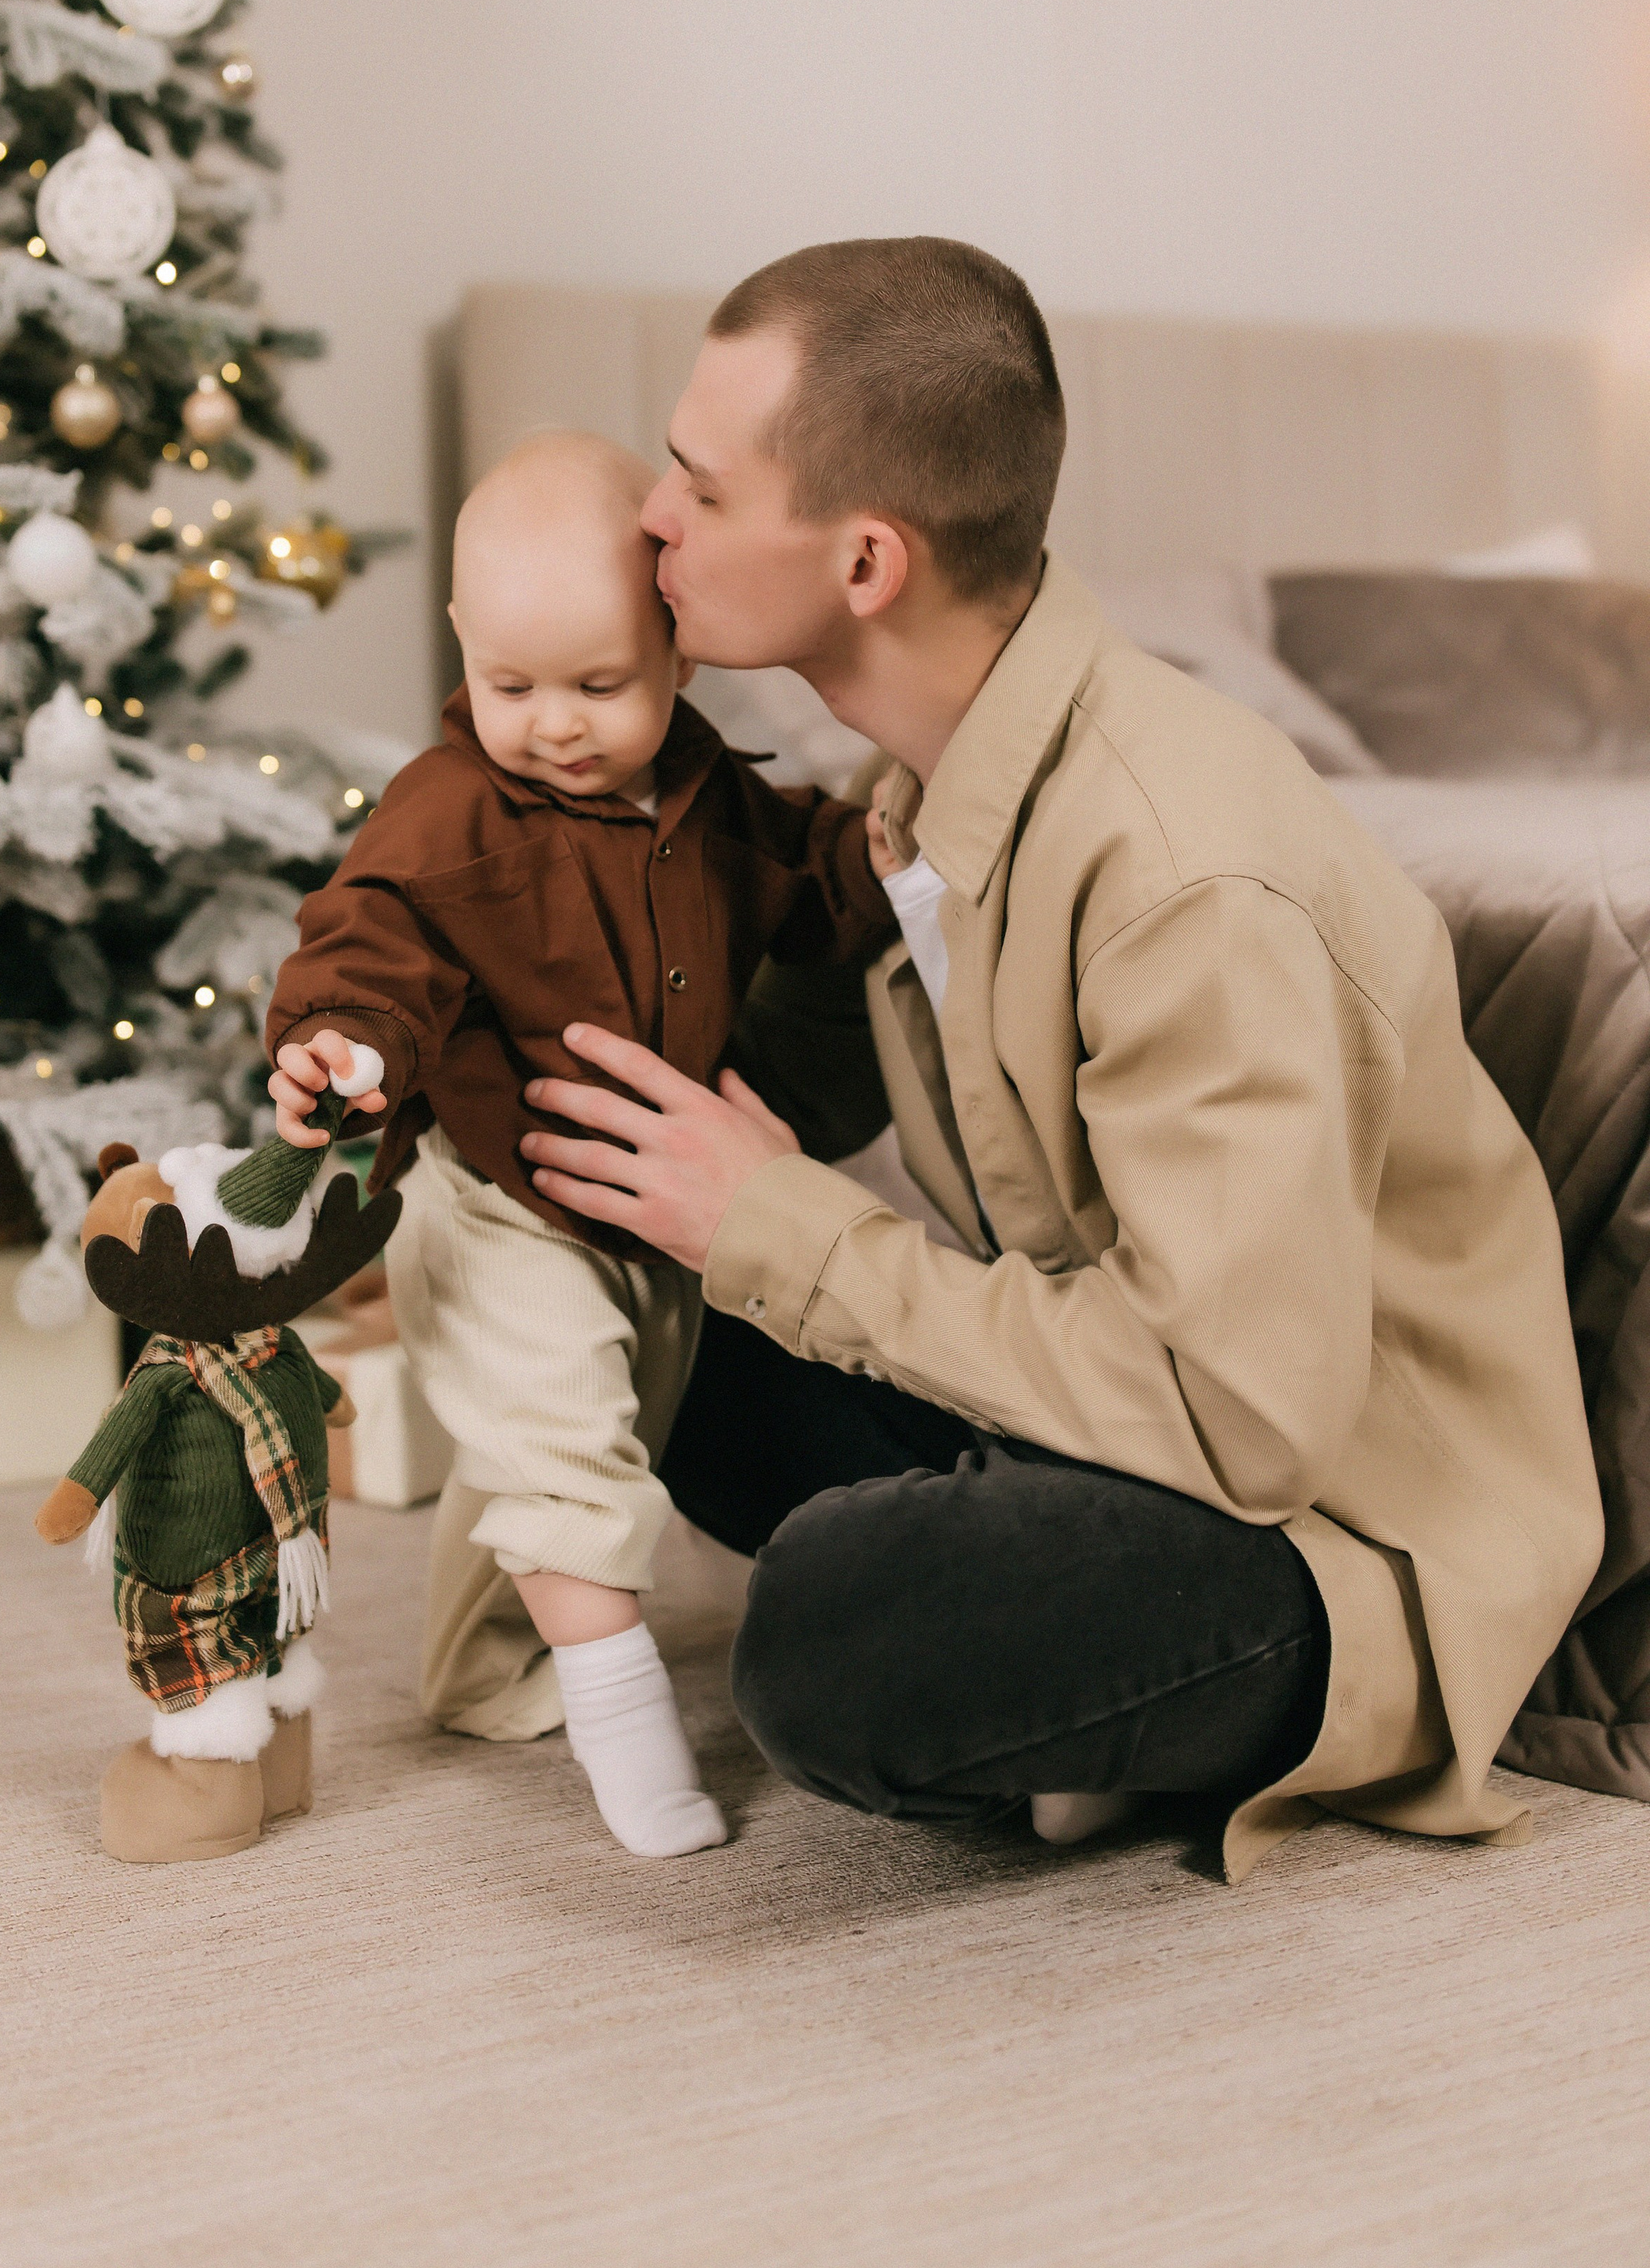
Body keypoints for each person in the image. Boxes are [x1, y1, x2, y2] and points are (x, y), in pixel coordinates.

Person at [516, 237, 1605, 1880]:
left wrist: (793, 1233)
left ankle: (1129, 1700)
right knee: (673, 1330)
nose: (649, 521)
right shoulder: (921, 794)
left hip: (1325, 1524)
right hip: (1117, 1416)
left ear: (864, 561)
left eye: (698, 485)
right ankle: (1065, 1682)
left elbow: (1241, 1420)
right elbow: (733, 1107)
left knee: (833, 1647)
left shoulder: (1180, 872)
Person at [261, 429, 894, 1857]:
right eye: (512, 685)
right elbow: (368, 943)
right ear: (464, 647)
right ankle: (625, 1729)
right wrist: (346, 1046)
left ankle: (483, 1674)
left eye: (599, 685)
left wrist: (885, 853)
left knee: (559, 1452)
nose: (553, 722)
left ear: (679, 651)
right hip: (502, 1209)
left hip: (654, 1216)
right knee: (563, 1459)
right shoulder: (448, 819)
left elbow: (804, 876)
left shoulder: (705, 787)